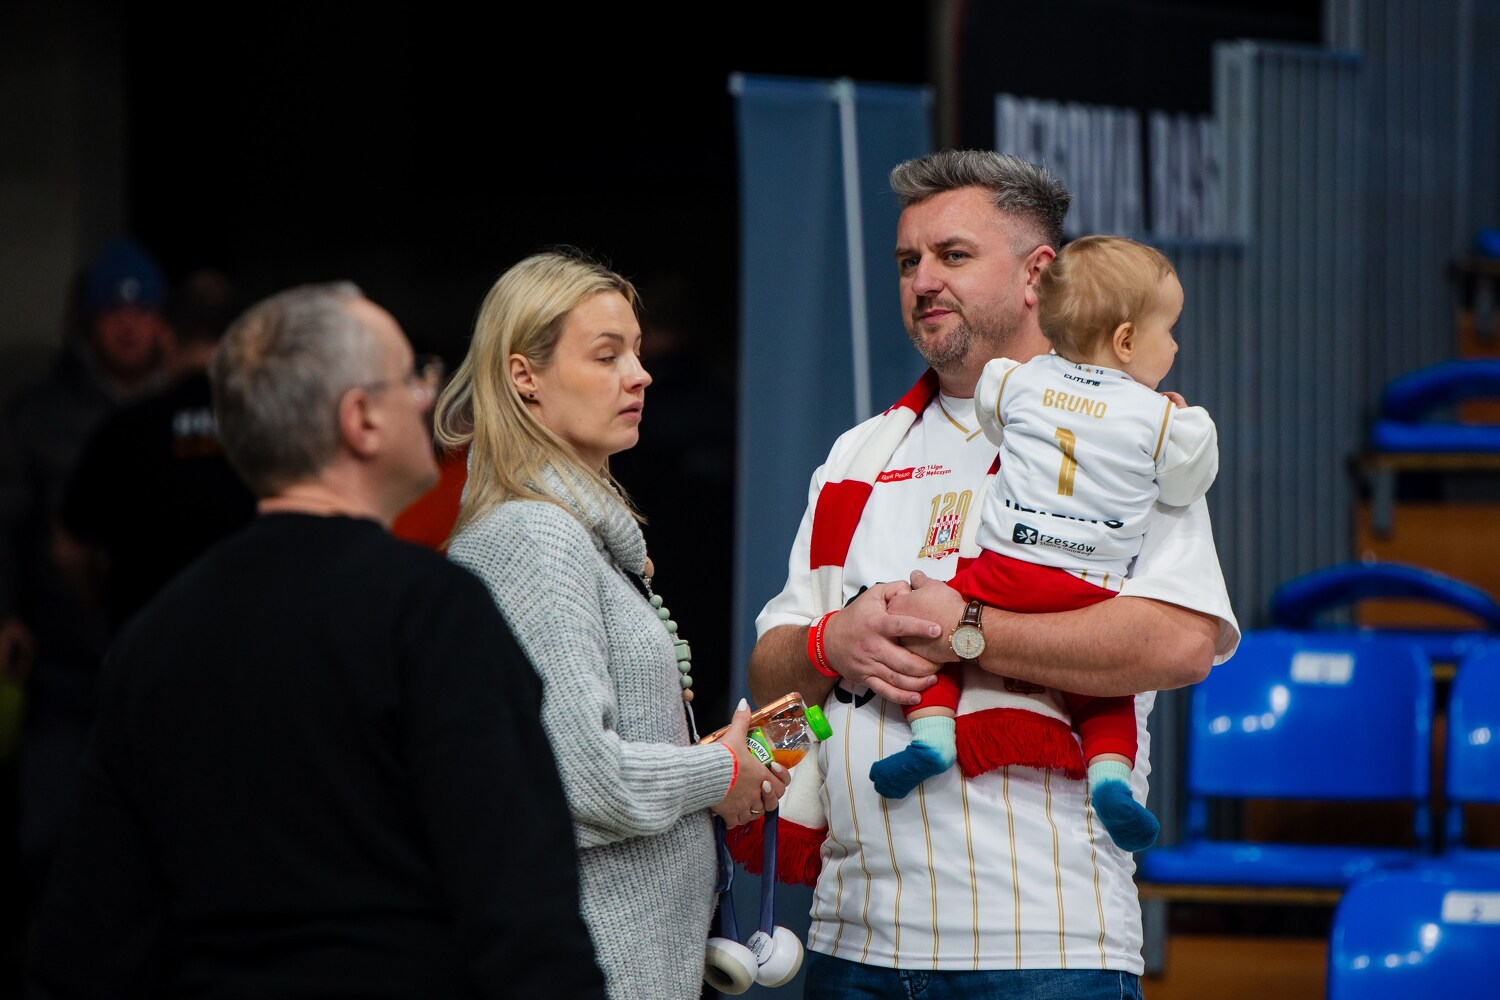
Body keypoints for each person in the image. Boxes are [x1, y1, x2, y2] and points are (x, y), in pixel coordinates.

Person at [743, 150, 1240, 998]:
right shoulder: (858, 455)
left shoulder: (1133, 432)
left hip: (1047, 945)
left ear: (1037, 275)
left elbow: (1182, 644)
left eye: (953, 255)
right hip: (851, 940)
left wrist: (968, 631)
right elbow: (775, 686)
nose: (923, 281)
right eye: (908, 261)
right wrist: (831, 645)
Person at [25, 281, 606, 998]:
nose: (428, 396)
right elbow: (524, 914)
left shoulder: (151, 639)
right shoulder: (433, 614)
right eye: (412, 376)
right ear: (360, 419)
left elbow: (87, 945)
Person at [435, 247, 788, 1000]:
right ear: (524, 376)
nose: (641, 374)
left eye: (637, 350)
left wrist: (714, 764)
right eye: (607, 355)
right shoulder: (534, 536)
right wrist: (722, 771)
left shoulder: (570, 531)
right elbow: (577, 777)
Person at [867, 235, 1221, 859]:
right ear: (1126, 341)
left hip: (1003, 571)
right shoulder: (1164, 419)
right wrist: (1172, 420)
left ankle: (933, 738)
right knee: (1105, 692)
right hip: (1086, 589)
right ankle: (1110, 779)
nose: (1175, 347)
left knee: (933, 629)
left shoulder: (1016, 380)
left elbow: (994, 421)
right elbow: (1187, 482)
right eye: (1169, 332)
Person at [0, 235, 170, 913]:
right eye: (112, 312)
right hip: (65, 660)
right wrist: (6, 612)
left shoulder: (193, 414)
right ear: (88, 321)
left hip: (164, 660)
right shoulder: (37, 414)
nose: (128, 326)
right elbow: (8, 522)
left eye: (142, 311)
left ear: (162, 322)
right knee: (47, 839)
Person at [55, 267, 257, 634]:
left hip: (145, 638)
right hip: (250, 636)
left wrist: (106, 606)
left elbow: (69, 551)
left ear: (165, 336)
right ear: (241, 341)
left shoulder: (125, 429)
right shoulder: (267, 427)